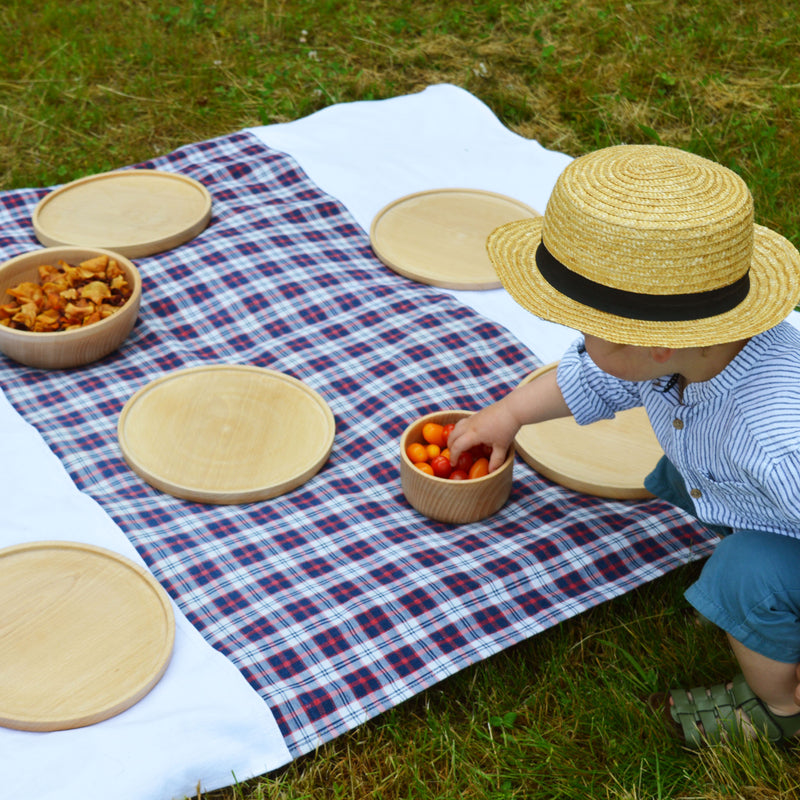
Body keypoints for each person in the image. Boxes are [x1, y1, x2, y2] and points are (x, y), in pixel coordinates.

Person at [446, 143, 800, 747]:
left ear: (656, 346)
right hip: (754, 496)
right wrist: (508, 415)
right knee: (678, 473)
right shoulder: (685, 350)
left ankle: (781, 708)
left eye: (589, 330)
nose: (580, 341)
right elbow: (595, 375)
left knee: (743, 576)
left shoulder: (775, 442)